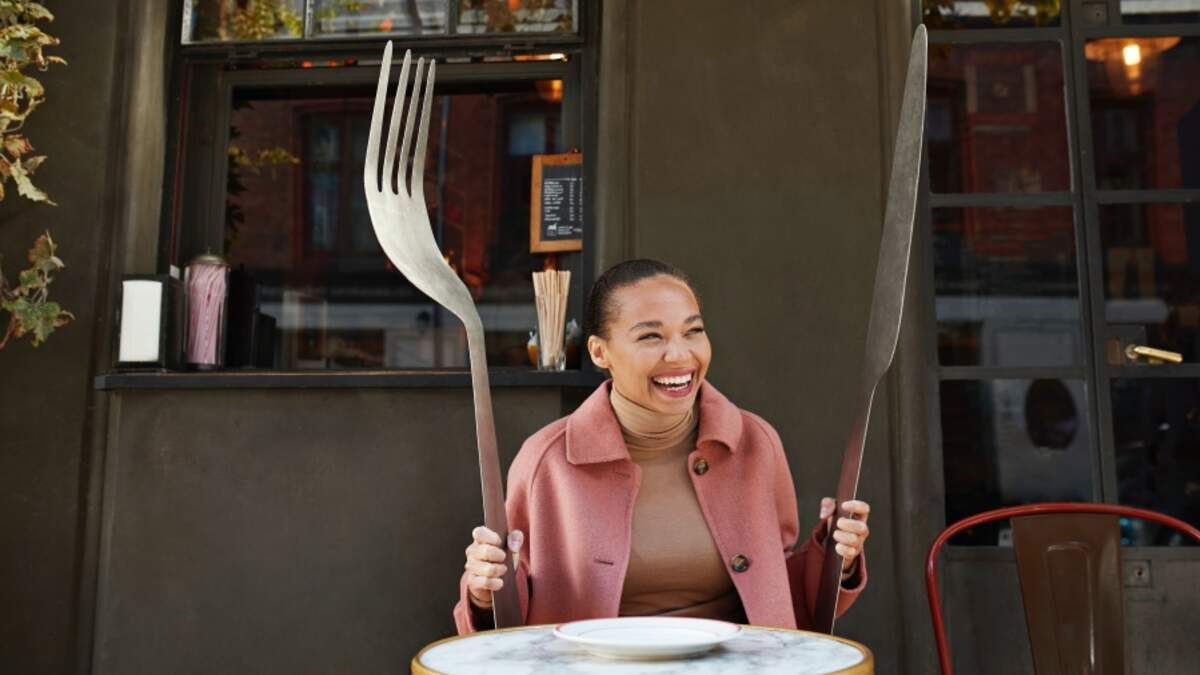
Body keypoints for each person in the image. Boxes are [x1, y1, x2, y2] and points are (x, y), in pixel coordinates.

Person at [454, 259, 870, 633]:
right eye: (651, 336)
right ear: (600, 352)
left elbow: (781, 592)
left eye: (693, 331)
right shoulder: (547, 461)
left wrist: (836, 555)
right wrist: (484, 591)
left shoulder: (754, 443)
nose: (679, 354)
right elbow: (513, 607)